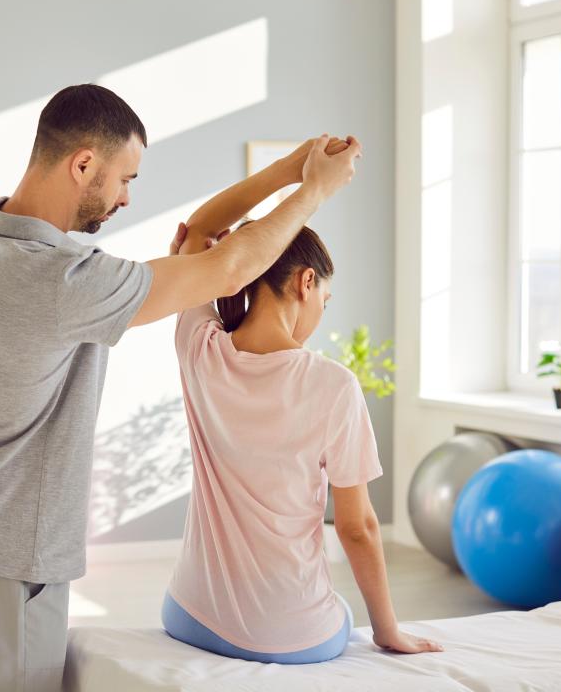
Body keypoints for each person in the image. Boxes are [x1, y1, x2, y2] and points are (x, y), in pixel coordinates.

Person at [0, 82, 361, 691]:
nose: (128, 197)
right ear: (83, 164)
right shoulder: (60, 281)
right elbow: (226, 264)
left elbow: (205, 245)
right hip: (10, 549)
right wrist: (313, 188)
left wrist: (292, 166)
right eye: (125, 177)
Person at [163, 167, 445, 663]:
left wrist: (298, 168)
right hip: (286, 634)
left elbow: (199, 230)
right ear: (306, 281)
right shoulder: (333, 385)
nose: (321, 311)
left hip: (190, 616)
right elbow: (358, 529)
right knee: (337, 616)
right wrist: (387, 629)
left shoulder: (199, 346)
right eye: (324, 299)